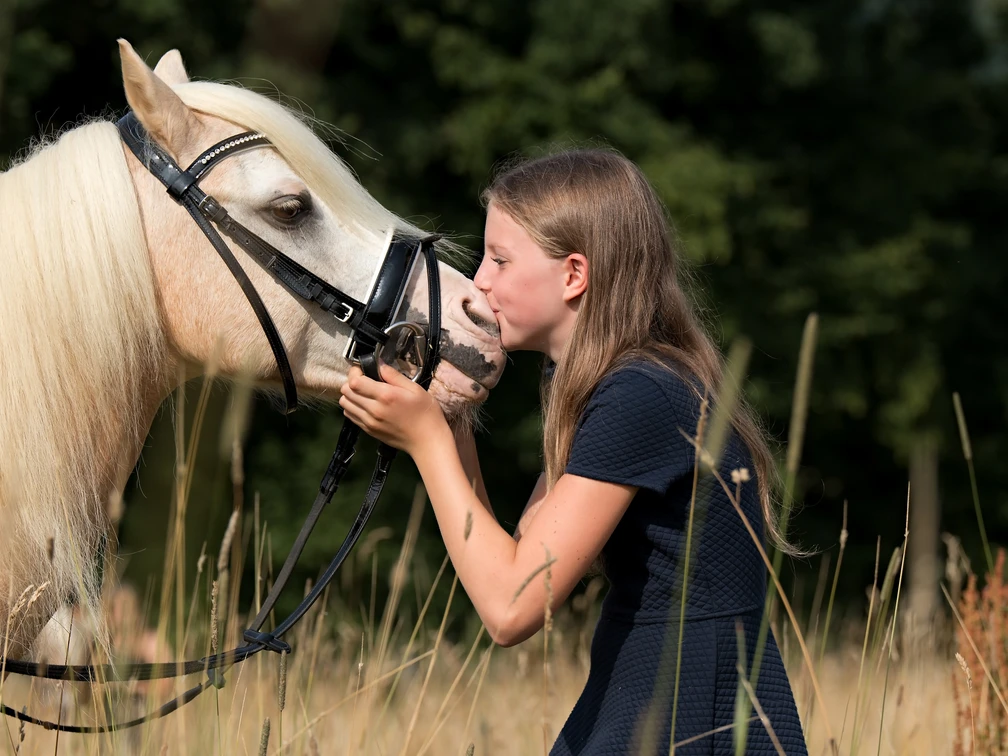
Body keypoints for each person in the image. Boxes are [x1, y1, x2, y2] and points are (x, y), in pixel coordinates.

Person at [339, 147, 808, 755]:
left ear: (574, 275)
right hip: (656, 702)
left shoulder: (641, 395)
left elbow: (511, 609)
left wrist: (427, 443)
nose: (480, 279)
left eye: (500, 259)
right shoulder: (627, 384)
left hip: (690, 717)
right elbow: (512, 562)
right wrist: (451, 425)